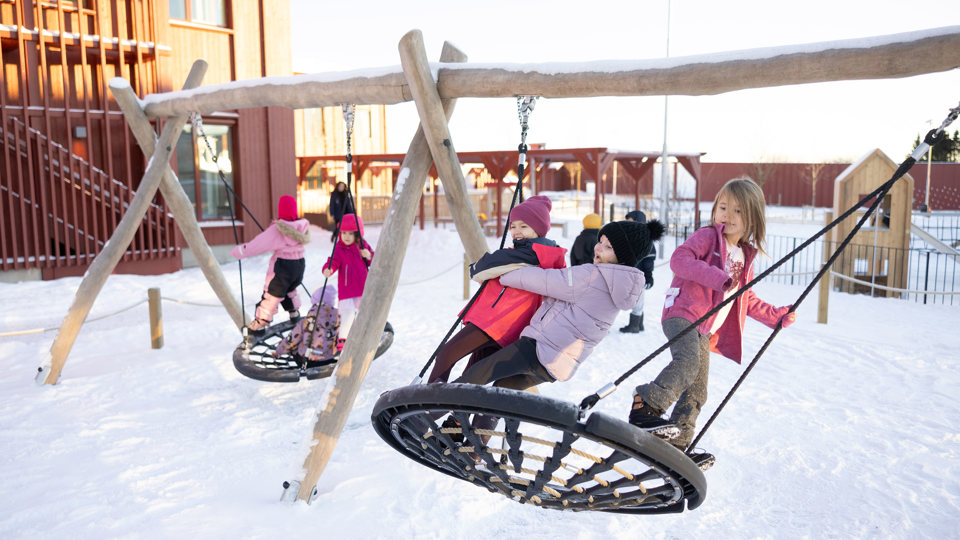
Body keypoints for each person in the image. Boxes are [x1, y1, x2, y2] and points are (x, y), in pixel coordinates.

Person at [627, 177, 797, 470]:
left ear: (753, 218)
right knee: (687, 364)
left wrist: (775, 316)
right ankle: (647, 402)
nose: (727, 216)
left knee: (697, 390)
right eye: (722, 207)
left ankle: (678, 442)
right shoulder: (707, 236)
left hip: (704, 328)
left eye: (738, 211)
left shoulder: (744, 256)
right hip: (682, 312)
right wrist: (718, 277)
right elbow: (680, 260)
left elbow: (744, 297)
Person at [453, 219, 664, 392]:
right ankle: (475, 439)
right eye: (601, 241)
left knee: (476, 375)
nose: (598, 247)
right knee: (500, 394)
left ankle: (425, 415)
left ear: (624, 257)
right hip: (557, 366)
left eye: (608, 247)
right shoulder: (622, 287)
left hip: (538, 349)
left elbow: (542, 280)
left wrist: (500, 274)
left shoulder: (591, 276)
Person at [428, 195, 566, 383]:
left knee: (446, 355)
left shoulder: (527, 254)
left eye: (524, 226)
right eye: (513, 226)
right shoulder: (550, 256)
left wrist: (477, 267)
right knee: (472, 377)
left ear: (539, 229)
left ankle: (426, 407)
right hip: (512, 326)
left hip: (494, 321)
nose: (517, 231)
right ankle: (455, 411)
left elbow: (481, 270)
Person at [231, 195, 311, 333]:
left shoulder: (278, 229)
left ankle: (261, 322)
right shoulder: (301, 227)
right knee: (290, 289)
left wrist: (241, 251)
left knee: (273, 293)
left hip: (282, 266)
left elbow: (259, 244)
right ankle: (294, 313)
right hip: (299, 265)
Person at [322, 213, 372, 350]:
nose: (347, 237)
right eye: (344, 233)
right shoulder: (339, 248)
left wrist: (368, 255)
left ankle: (366, 334)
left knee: (364, 311)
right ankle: (343, 338)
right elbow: (333, 261)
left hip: (362, 287)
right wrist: (328, 268)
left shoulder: (362, 245)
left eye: (351, 233)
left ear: (357, 234)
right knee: (347, 313)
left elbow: (372, 259)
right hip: (346, 290)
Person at [275, 285, 340, 362]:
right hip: (329, 359)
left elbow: (292, 339)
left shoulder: (308, 319)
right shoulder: (338, 317)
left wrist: (279, 351)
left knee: (298, 343)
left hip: (307, 360)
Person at [619, 210, 657, 333]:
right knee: (636, 298)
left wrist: (648, 275)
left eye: (631, 221)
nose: (628, 223)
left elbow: (648, 259)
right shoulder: (632, 235)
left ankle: (635, 325)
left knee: (638, 298)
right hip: (632, 273)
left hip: (640, 274)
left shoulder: (645, 237)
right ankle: (638, 324)